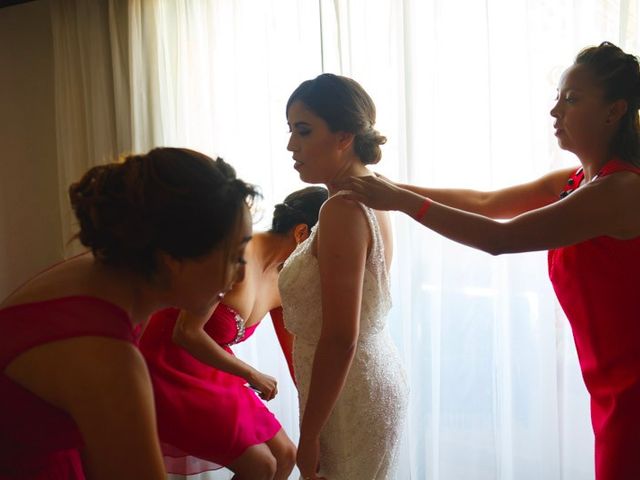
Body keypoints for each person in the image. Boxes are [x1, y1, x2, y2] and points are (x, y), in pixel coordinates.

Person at [337, 42, 640, 480]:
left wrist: (400, 201)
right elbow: (487, 202)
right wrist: (385, 186)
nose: (555, 111)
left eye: (571, 99)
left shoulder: (620, 190)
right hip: (611, 384)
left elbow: (500, 238)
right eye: (557, 97)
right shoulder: (574, 183)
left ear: (614, 111)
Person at [0, 147, 256, 480]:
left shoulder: (104, 276)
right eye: (235, 257)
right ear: (172, 258)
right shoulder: (107, 358)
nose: (239, 276)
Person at [138, 186, 327, 480]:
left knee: (286, 456)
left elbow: (294, 361)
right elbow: (186, 332)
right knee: (261, 465)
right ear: (302, 233)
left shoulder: (285, 282)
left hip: (212, 366)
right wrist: (251, 374)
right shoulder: (236, 253)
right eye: (324, 251)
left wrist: (318, 425)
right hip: (167, 362)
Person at [279, 73, 409, 480]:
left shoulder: (341, 210)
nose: (291, 146)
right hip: (369, 374)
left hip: (349, 390)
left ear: (344, 136)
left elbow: (340, 336)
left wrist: (309, 434)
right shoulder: (375, 192)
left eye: (303, 131)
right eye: (290, 131)